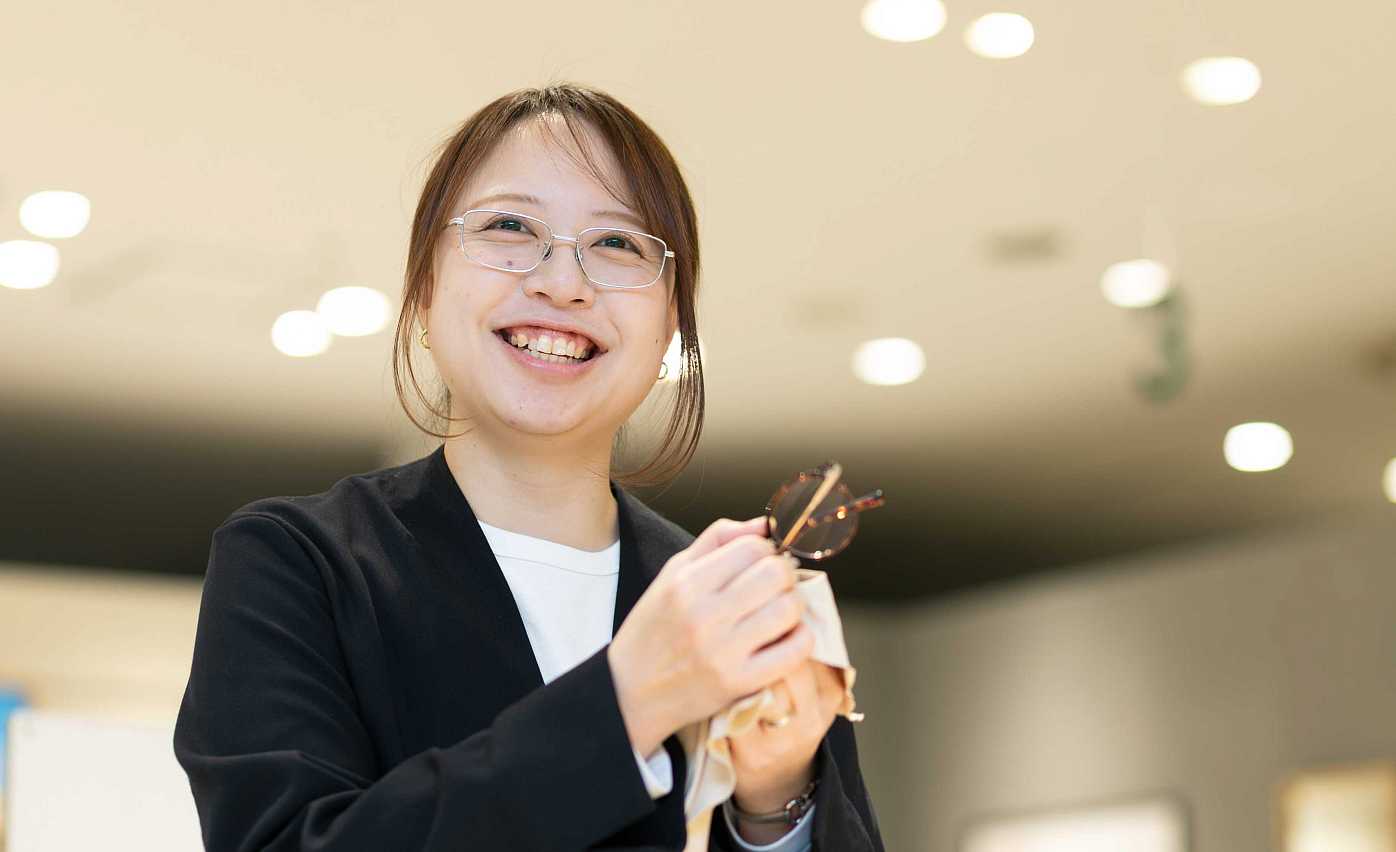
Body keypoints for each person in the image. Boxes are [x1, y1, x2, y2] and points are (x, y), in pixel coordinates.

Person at [173, 83, 884, 852]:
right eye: (509, 226)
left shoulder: (720, 601)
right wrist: (629, 702)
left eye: (618, 243)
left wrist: (775, 800)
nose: (562, 283)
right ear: (423, 288)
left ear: (671, 324)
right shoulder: (299, 563)